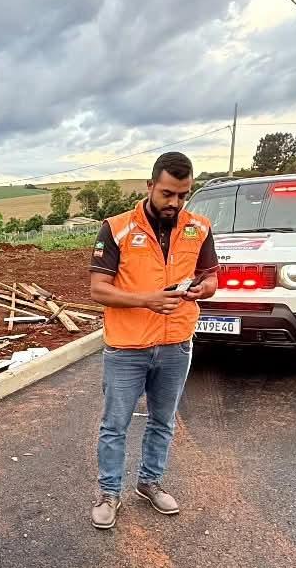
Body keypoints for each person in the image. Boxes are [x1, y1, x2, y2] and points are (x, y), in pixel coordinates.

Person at [87, 152, 218, 529]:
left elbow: (211, 276)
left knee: (163, 420)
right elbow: (98, 289)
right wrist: (147, 300)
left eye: (183, 195)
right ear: (149, 187)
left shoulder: (199, 228)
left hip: (177, 344)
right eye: (167, 194)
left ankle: (150, 482)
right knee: (115, 424)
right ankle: (110, 492)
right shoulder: (116, 229)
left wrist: (202, 288)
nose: (174, 203)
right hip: (127, 347)